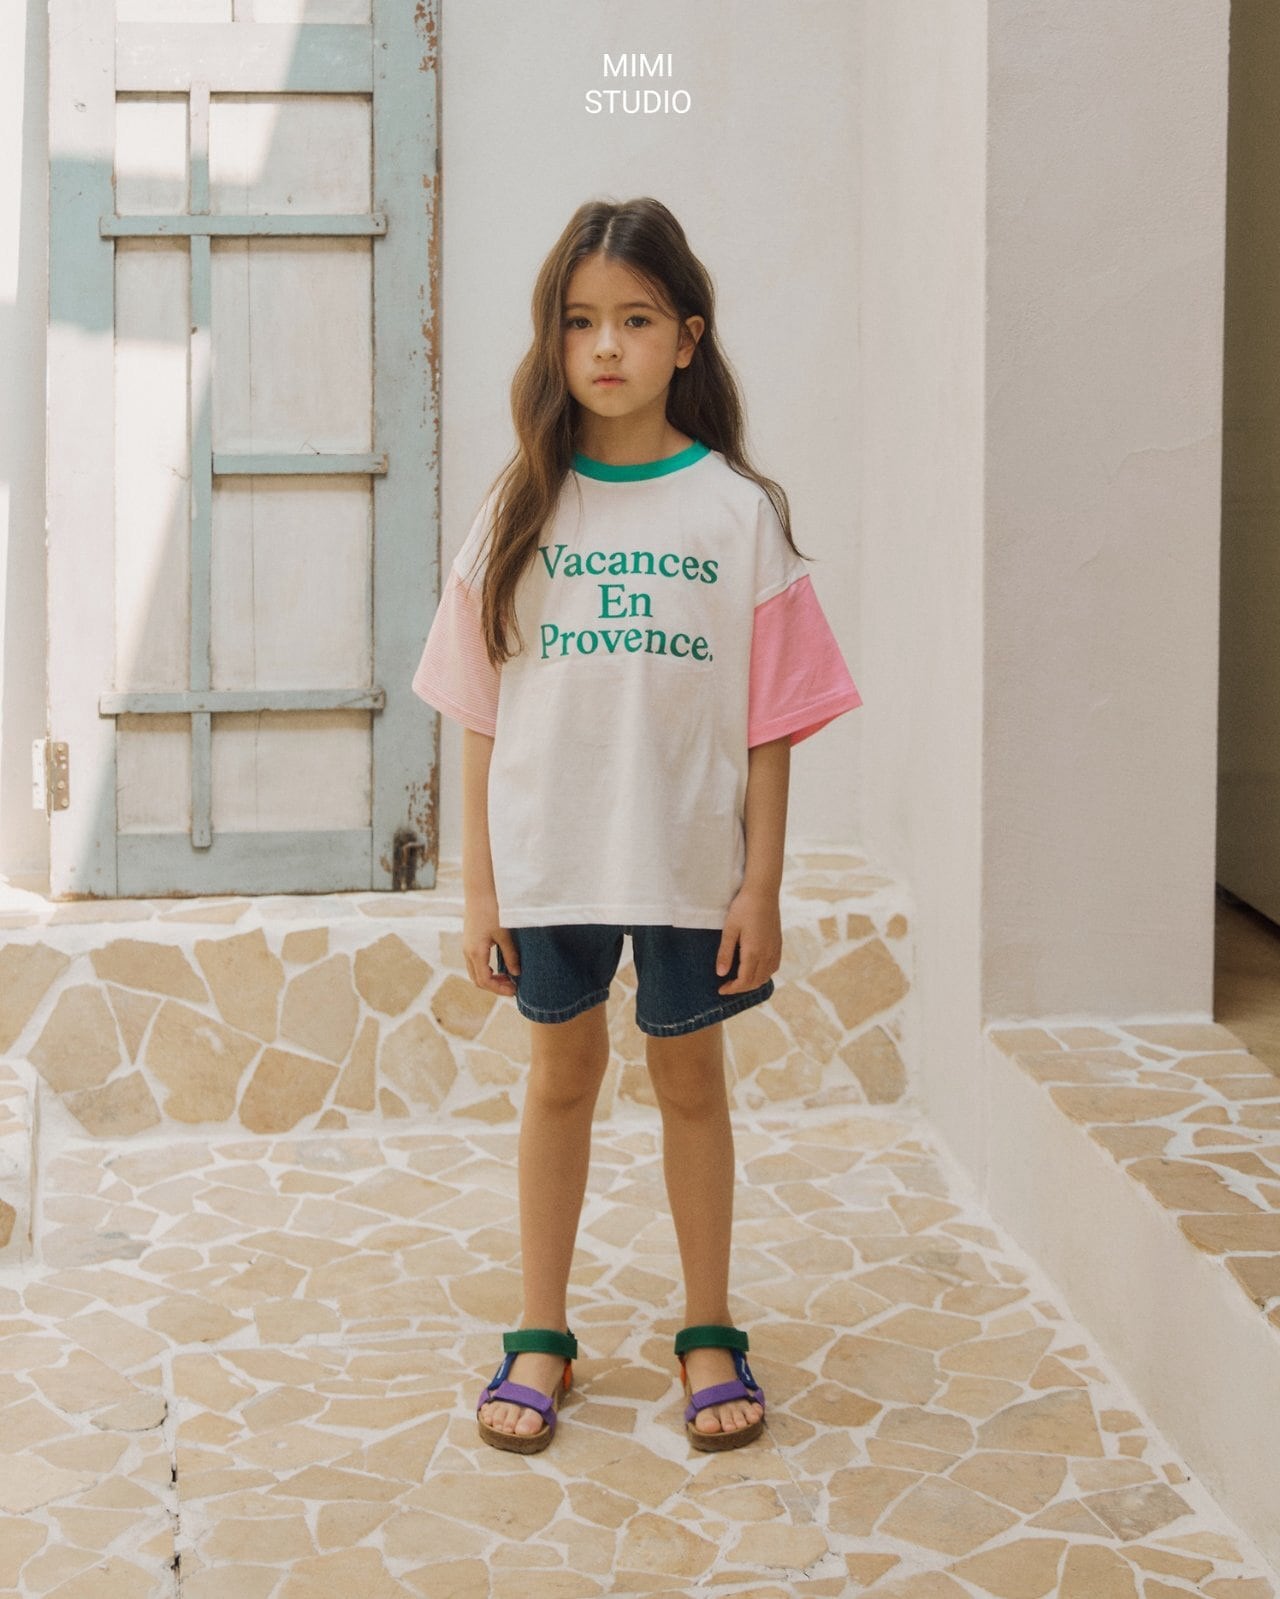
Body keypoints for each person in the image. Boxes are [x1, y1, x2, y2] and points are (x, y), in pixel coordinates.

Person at [410, 196, 862, 1455]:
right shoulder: (519, 506)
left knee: (690, 1087)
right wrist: (479, 888)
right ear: (551, 339)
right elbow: (478, 712)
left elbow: (770, 722)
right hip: (550, 860)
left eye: (635, 319)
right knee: (558, 1082)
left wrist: (760, 885)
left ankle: (707, 1329)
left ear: (686, 337)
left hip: (687, 865)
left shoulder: (734, 511)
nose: (604, 346)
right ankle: (540, 1333)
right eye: (578, 321)